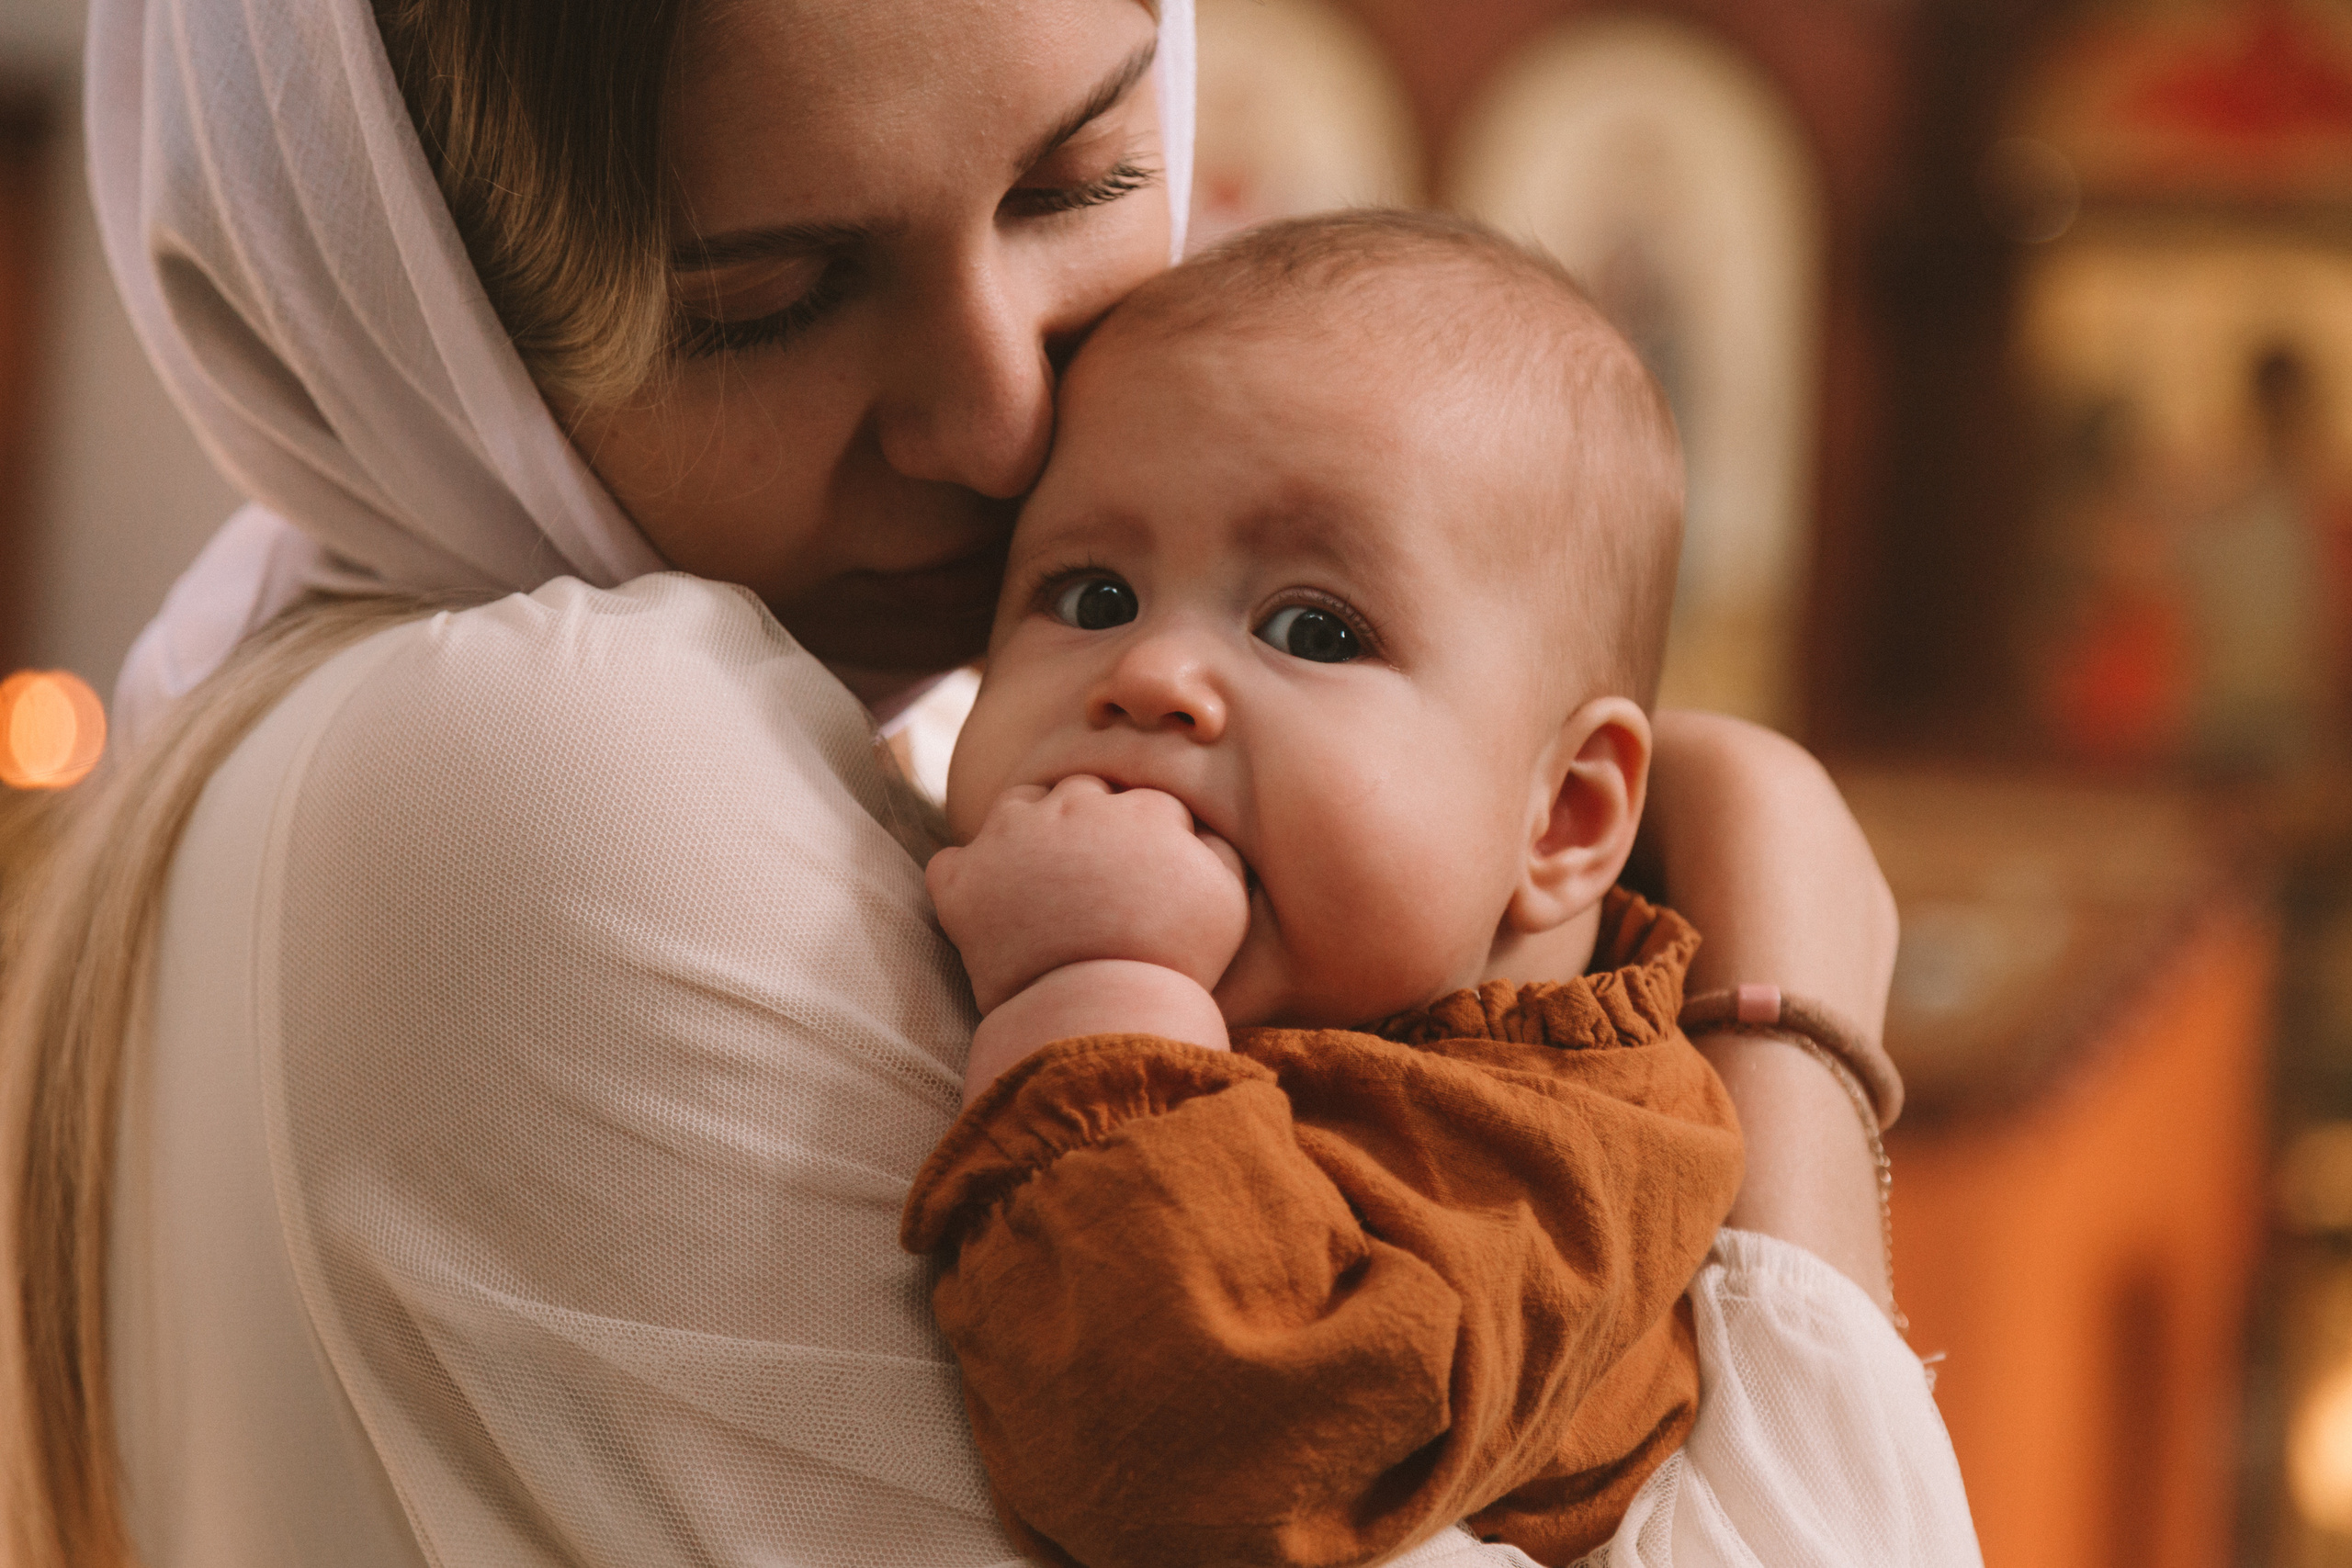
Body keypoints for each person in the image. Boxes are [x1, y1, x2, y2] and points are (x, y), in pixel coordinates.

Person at [0, 4, 1975, 1568]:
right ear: (414, 306)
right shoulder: (552, 762)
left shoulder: (286, 728)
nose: (1002, 414)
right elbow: (1211, 1421)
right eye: (767, 297)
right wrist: (1792, 1010)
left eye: (1084, 176)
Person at [906, 211, 1817, 1566]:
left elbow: (1206, 1451)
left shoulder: (1542, 1156)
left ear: (1564, 816)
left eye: (1312, 630)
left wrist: (1099, 987)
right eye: (1090, 595)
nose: (1151, 676)